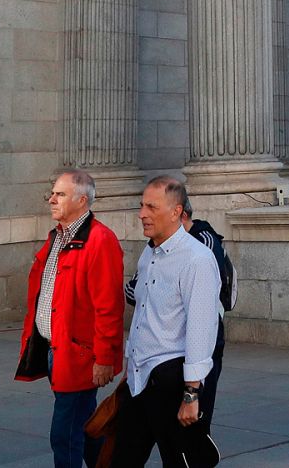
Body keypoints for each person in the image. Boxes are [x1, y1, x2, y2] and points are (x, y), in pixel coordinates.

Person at [16, 169, 125, 468]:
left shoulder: (100, 240)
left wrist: (104, 358)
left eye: (60, 194)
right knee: (87, 425)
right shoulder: (59, 236)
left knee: (63, 434)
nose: (51, 199)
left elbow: (109, 307)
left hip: (79, 356)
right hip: (55, 349)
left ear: (81, 200)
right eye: (52, 193)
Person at [114, 177, 222, 467]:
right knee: (122, 458)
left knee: (180, 462)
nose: (142, 214)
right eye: (141, 206)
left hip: (172, 381)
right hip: (140, 378)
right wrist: (131, 365)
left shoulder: (197, 259)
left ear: (176, 212)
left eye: (151, 206)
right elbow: (144, 315)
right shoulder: (149, 252)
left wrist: (191, 394)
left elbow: (201, 328)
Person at [170, 196, 233, 436]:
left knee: (197, 419)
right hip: (171, 346)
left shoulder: (202, 244)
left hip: (206, 335)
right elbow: (135, 291)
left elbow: (201, 299)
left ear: (180, 213)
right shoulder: (158, 245)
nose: (143, 215)